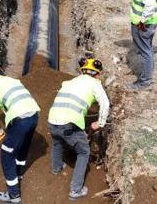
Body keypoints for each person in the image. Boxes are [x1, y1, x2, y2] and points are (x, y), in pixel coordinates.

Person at [47, 57, 110, 201]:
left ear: (81, 71)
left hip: (52, 119)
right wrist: (100, 123)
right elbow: (105, 104)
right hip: (69, 123)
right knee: (83, 152)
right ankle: (75, 190)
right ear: (98, 74)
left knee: (57, 143)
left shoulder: (69, 82)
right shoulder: (95, 84)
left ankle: (56, 168)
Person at [0, 60, 41, 203]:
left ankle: (13, 195)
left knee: (7, 154)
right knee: (23, 146)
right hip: (33, 115)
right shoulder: (11, 80)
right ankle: (18, 174)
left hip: (20, 119)